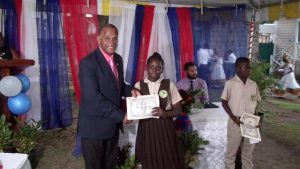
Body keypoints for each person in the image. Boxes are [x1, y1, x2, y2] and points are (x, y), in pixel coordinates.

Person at [77, 24, 140, 169]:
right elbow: (93, 98)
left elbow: (118, 86)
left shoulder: (118, 59)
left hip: (112, 127)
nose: (112, 42)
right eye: (107, 38)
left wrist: (131, 90)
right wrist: (121, 115)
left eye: (115, 38)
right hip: (94, 129)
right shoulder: (88, 63)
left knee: (110, 164)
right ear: (99, 39)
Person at [135, 52, 184, 169]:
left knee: (168, 158)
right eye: (152, 67)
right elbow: (134, 109)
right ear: (146, 67)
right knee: (148, 158)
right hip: (146, 128)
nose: (155, 70)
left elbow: (178, 110)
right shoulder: (138, 85)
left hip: (165, 127)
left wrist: (165, 113)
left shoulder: (169, 84)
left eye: (158, 67)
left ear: (162, 69)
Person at [221, 57, 261, 169]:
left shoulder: (253, 84)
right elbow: (224, 102)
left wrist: (257, 120)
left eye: (249, 67)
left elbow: (255, 104)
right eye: (246, 67)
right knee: (231, 152)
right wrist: (234, 119)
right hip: (235, 120)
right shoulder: (230, 84)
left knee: (248, 153)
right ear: (237, 68)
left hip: (251, 121)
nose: (249, 70)